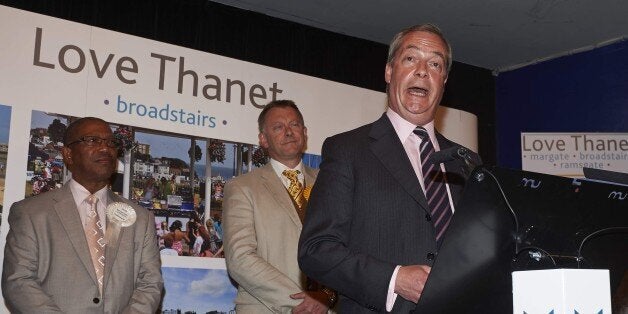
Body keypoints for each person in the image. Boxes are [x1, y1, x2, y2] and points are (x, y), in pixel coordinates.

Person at [298, 24, 481, 312]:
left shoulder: (466, 162)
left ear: (443, 81)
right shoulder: (347, 150)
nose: (423, 70)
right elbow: (316, 251)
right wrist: (394, 279)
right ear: (388, 71)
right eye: (411, 59)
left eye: (435, 63)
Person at [2, 117, 163, 313]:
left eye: (111, 142)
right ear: (68, 154)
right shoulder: (31, 213)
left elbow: (150, 283)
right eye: (92, 140)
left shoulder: (141, 218)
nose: (105, 148)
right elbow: (19, 281)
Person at [223, 100, 335, 313]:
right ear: (263, 140)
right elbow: (240, 257)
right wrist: (301, 303)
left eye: (294, 125)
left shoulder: (331, 182)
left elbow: (345, 247)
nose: (288, 132)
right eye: (278, 127)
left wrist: (327, 296)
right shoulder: (241, 187)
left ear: (304, 132)